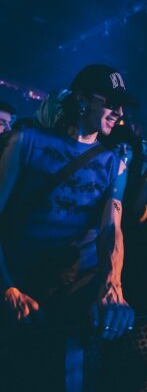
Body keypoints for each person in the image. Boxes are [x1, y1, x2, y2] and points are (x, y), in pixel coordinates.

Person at [0, 64, 135, 339]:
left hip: (63, 294)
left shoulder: (115, 166)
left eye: (123, 106)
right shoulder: (26, 142)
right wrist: (6, 287)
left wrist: (113, 284)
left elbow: (112, 230)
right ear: (82, 99)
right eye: (112, 103)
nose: (120, 113)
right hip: (14, 282)